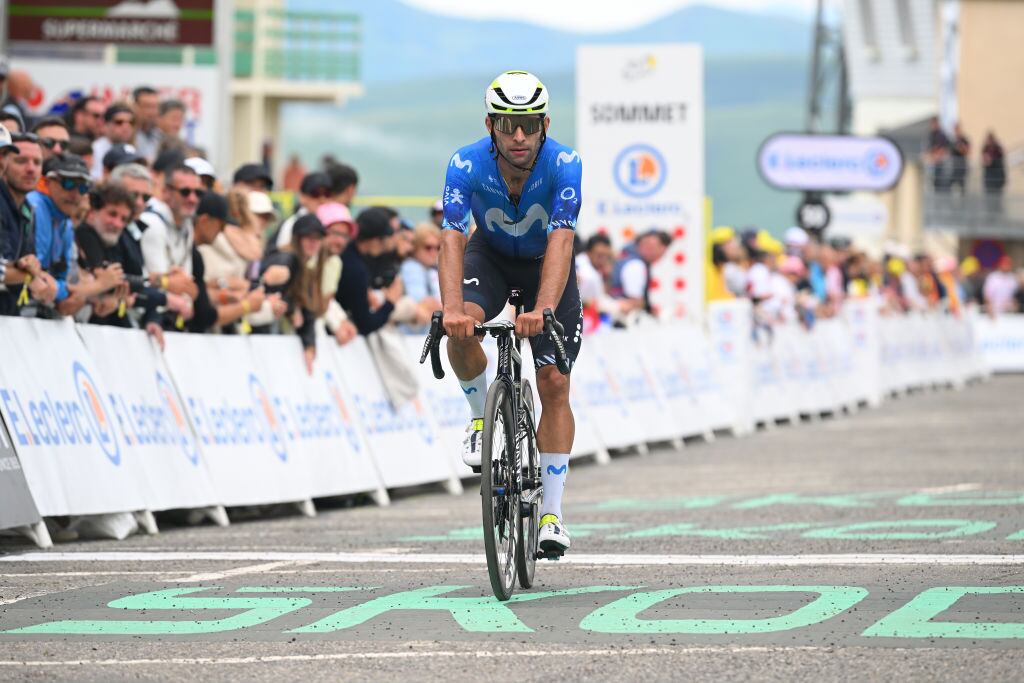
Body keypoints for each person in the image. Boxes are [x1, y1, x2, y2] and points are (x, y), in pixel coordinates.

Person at [440, 71, 582, 555]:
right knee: (457, 331)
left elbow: (562, 238)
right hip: (492, 259)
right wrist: (452, 309)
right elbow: (452, 238)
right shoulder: (464, 163)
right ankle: (482, 418)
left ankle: (551, 515)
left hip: (547, 263)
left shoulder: (565, 163)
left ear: (543, 124)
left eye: (527, 125)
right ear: (490, 125)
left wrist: (544, 307)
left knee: (554, 382)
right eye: (506, 125)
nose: (518, 137)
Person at [261, 214, 335, 372]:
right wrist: (292, 309)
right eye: (308, 238)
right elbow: (268, 294)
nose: (313, 243)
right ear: (297, 238)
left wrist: (309, 345)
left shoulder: (304, 266)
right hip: (261, 328)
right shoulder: (286, 259)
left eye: (317, 238)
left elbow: (307, 310)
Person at [0, 127, 58, 315]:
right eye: (21, 161)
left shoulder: (28, 210)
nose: (31, 168)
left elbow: (25, 264)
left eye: (37, 162)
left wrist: (36, 273)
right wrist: (29, 276)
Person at [334, 207, 404, 336]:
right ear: (374, 240)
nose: (384, 245)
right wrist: (390, 302)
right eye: (383, 240)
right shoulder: (356, 269)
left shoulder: (348, 254)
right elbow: (366, 325)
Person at [611, 229, 671, 315]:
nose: (660, 256)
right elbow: (634, 301)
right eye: (651, 247)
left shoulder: (627, 257)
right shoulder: (636, 265)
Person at [270, 171, 332, 251]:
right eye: (315, 194)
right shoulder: (292, 223)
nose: (322, 199)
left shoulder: (333, 223)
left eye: (327, 194)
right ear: (302, 197)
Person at [399, 222, 443, 333]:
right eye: (428, 247)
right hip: (411, 337)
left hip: (422, 336)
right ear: (416, 247)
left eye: (437, 247)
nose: (433, 252)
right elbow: (423, 304)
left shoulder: (430, 270)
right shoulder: (411, 267)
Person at [91, 104, 137, 179]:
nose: (126, 126)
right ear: (105, 125)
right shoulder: (95, 149)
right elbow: (95, 179)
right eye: (119, 122)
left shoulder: (131, 149)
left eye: (131, 122)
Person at [132, 86, 161, 162]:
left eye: (155, 107)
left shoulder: (160, 137)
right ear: (135, 107)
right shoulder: (126, 134)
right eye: (148, 107)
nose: (152, 112)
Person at [949, 122, 970, 195]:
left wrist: (961, 148)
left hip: (962, 167)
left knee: (962, 187)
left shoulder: (964, 140)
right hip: (954, 167)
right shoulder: (952, 141)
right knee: (950, 186)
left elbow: (967, 151)